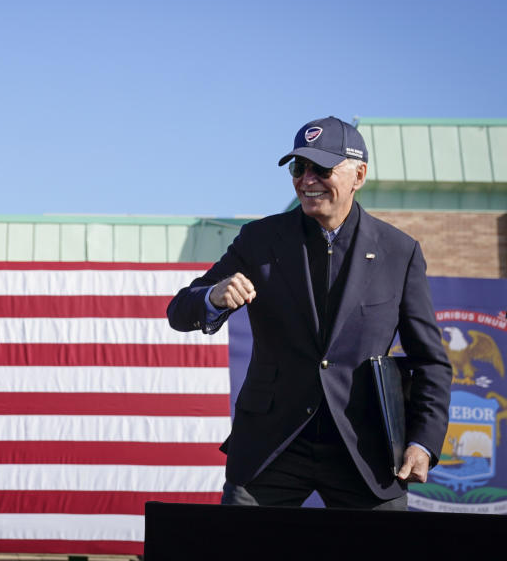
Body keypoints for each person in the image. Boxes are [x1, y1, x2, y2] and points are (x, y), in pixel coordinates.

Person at [167, 116, 451, 509]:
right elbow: (180, 310)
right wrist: (213, 297)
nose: (307, 179)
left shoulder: (399, 252)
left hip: (363, 447)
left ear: (359, 175)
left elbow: (431, 362)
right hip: (271, 444)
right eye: (299, 168)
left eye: (321, 168)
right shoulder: (260, 239)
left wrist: (422, 441)